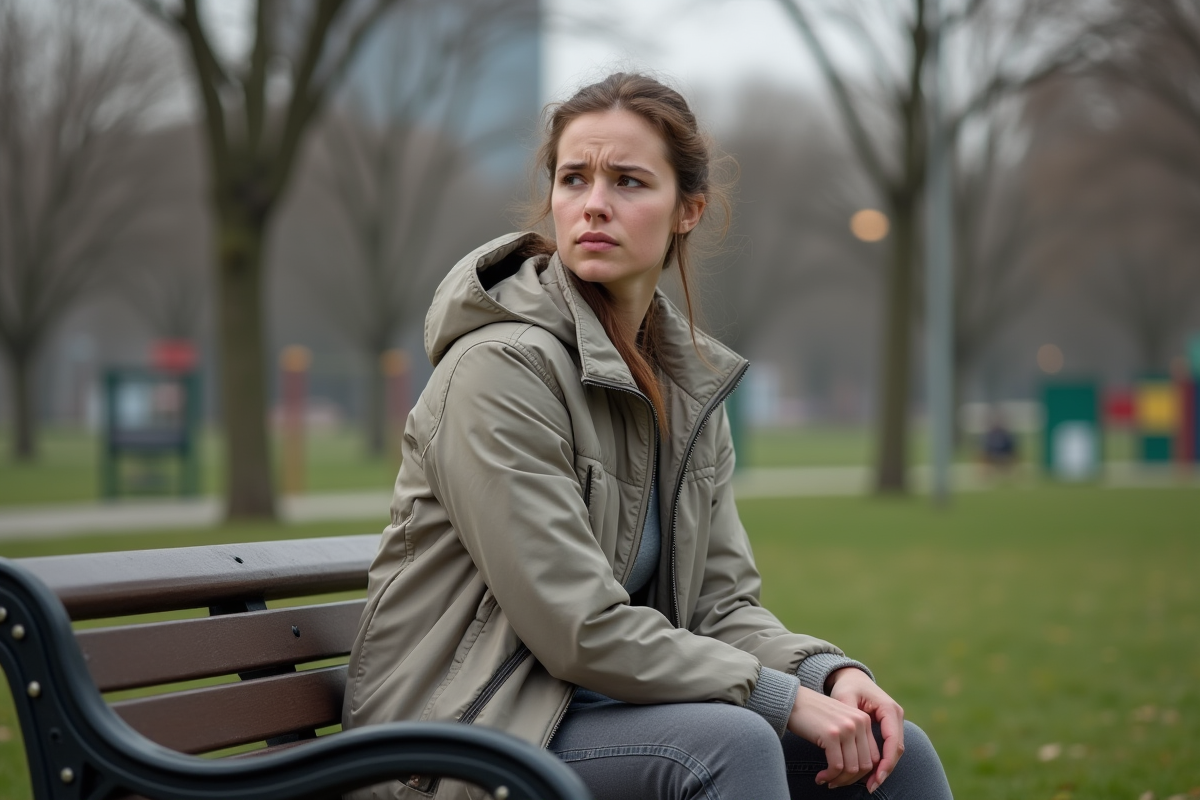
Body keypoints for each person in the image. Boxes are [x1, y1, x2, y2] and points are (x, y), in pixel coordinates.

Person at [342, 73, 953, 800]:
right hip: (458, 739)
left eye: (628, 181)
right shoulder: (499, 371)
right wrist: (778, 698)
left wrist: (827, 674)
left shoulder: (683, 385)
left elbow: (718, 608)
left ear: (688, 209)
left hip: (587, 714)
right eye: (574, 178)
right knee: (727, 746)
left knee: (897, 754)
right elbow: (576, 627)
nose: (594, 204)